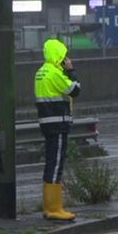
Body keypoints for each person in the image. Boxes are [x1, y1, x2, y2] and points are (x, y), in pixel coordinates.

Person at [34, 38, 82, 221]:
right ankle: (54, 208)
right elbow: (75, 90)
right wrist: (70, 70)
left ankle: (50, 207)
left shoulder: (40, 72)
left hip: (47, 122)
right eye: (63, 56)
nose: (65, 59)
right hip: (58, 123)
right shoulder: (55, 73)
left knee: (51, 163)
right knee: (56, 165)